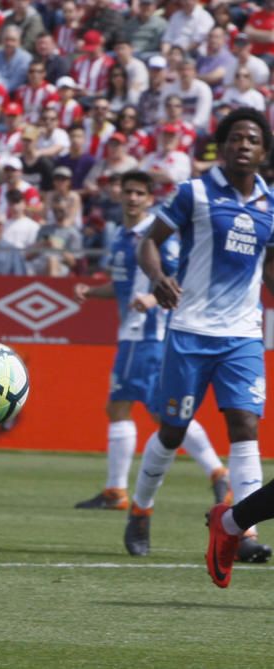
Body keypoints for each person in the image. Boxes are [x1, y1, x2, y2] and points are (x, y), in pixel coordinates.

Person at [129, 108, 274, 563]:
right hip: (191, 330)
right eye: (235, 138)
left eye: (252, 139)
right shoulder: (194, 193)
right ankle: (140, 509)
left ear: (263, 151)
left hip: (243, 335)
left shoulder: (271, 205)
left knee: (245, 428)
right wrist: (156, 278)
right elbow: (148, 241)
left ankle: (242, 532)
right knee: (172, 432)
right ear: (222, 146)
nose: (243, 145)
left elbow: (268, 268)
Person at [73, 170, 229, 511]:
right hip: (133, 334)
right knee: (156, 412)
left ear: (149, 198)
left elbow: (179, 277)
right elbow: (121, 286)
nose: (131, 197)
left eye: (139, 193)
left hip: (146, 334)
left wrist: (154, 298)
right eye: (126, 191)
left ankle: (121, 490)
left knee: (136, 410)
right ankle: (215, 473)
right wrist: (91, 292)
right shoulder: (120, 236)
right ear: (118, 194)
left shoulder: (156, 236)